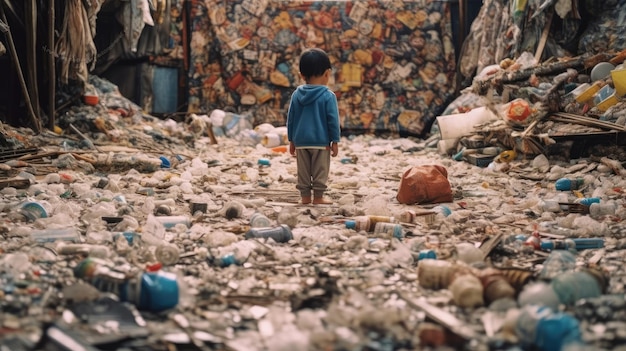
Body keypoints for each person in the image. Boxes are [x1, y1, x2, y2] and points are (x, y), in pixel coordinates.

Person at [287, 48, 341, 205]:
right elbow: (333, 120)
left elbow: (291, 118)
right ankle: (318, 198)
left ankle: (304, 198)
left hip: (301, 142)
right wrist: (335, 141)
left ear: (302, 75)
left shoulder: (297, 94)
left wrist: (291, 140)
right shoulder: (328, 96)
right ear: (327, 73)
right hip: (320, 142)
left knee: (303, 171)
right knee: (320, 170)